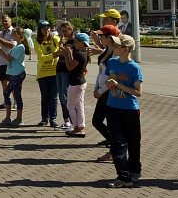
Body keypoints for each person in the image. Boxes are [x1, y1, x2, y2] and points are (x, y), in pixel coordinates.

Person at [104, 34, 143, 188]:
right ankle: (123, 176)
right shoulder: (112, 62)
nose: (114, 48)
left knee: (133, 143)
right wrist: (109, 84)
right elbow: (109, 80)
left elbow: (138, 92)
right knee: (117, 143)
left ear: (126, 49)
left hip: (129, 110)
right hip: (112, 106)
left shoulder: (134, 67)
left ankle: (134, 171)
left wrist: (118, 84)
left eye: (117, 46)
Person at [92, 25, 119, 162]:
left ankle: (115, 149)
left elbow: (112, 77)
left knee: (110, 123)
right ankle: (116, 146)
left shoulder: (116, 53)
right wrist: (97, 88)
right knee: (96, 121)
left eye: (102, 36)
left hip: (110, 92)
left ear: (110, 38)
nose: (100, 38)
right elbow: (101, 73)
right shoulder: (105, 51)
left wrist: (101, 90)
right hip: (102, 91)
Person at [0, 27, 29, 126]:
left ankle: (19, 118)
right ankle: (8, 117)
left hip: (18, 74)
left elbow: (8, 58)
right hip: (14, 73)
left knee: (17, 95)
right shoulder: (16, 46)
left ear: (18, 35)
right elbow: (8, 56)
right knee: (6, 93)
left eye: (13, 34)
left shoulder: (20, 47)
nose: (11, 36)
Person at [61, 32, 91, 137]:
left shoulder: (80, 54)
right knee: (79, 105)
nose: (75, 44)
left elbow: (70, 67)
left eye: (76, 42)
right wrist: (68, 55)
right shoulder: (84, 54)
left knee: (70, 106)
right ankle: (80, 127)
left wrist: (67, 55)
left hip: (76, 83)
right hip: (80, 82)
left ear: (82, 43)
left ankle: (76, 126)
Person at [34, 20, 60, 127]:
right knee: (44, 97)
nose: (47, 30)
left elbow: (62, 46)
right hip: (43, 73)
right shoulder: (37, 42)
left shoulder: (55, 39)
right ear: (40, 30)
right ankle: (44, 118)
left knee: (53, 97)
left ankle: (53, 118)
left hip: (54, 72)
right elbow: (42, 58)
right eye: (44, 29)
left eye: (48, 28)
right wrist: (55, 55)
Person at [0, 15, 17, 109]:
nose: (4, 23)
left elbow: (12, 46)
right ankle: (6, 101)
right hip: (1, 61)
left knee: (12, 82)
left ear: (11, 21)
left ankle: (16, 102)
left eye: (6, 21)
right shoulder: (1, 33)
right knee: (3, 82)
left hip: (10, 61)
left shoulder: (14, 32)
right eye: (3, 21)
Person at [53, 21, 75, 130]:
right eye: (61, 31)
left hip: (66, 71)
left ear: (71, 30)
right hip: (59, 69)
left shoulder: (73, 42)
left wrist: (61, 48)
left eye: (65, 31)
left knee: (65, 96)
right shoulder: (64, 41)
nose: (63, 33)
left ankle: (71, 120)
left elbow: (61, 53)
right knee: (61, 96)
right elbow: (56, 54)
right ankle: (66, 121)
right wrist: (60, 47)